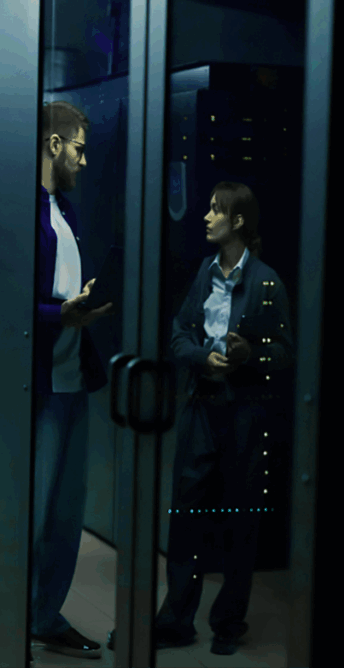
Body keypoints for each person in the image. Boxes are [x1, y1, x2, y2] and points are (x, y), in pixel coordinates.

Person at [107, 182, 294, 656]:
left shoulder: (267, 281)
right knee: (186, 516)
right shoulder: (204, 274)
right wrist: (199, 359)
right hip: (201, 408)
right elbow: (178, 335)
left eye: (216, 211)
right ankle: (177, 619)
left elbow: (286, 353)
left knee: (239, 520)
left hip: (245, 415)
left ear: (237, 223)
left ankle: (229, 622)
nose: (206, 217)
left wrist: (248, 355)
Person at [29, 101, 115, 660]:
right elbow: (8, 305)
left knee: (65, 515)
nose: (83, 161)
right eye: (78, 148)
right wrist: (59, 315)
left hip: (71, 380)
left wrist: (76, 313)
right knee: (32, 515)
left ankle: (44, 615)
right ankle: (10, 618)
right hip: (36, 387)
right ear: (54, 145)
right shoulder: (26, 211)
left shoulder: (66, 212)